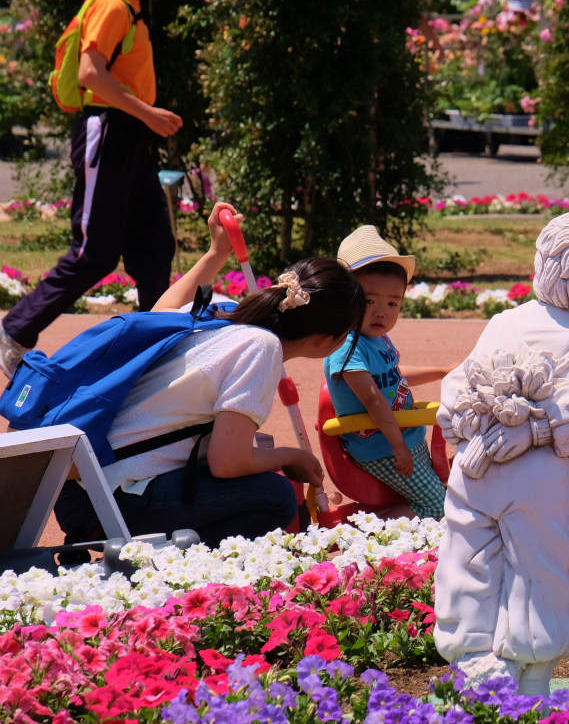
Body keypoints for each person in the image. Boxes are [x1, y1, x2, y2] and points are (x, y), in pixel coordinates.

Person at [54, 202, 365, 550]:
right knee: (274, 496)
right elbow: (227, 462)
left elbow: (161, 312)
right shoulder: (260, 347)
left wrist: (216, 253)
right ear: (325, 341)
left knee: (258, 468)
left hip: (75, 485)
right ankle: (187, 572)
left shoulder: (221, 314)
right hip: (110, 502)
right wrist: (292, 457)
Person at [432, 208, 569, 697]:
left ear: (543, 262)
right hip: (542, 479)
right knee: (540, 569)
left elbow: (461, 384)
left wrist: (462, 428)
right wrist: (537, 431)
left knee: (469, 555)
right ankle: (532, 677)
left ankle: (473, 656)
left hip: (477, 467)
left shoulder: (504, 322)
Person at [0, 0, 184, 379]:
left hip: (130, 135)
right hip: (110, 132)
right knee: (94, 253)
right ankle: (14, 330)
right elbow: (90, 73)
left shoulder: (127, 7)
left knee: (154, 247)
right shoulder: (111, 4)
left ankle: (157, 349)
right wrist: (148, 113)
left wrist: (144, 119)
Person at [324, 226, 450, 521]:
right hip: (380, 446)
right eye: (370, 301)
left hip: (404, 436)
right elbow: (373, 400)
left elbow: (394, 375)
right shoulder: (347, 346)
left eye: (392, 303)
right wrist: (397, 446)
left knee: (444, 489)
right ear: (347, 297)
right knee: (438, 506)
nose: (381, 312)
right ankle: (363, 530)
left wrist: (442, 371)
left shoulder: (375, 339)